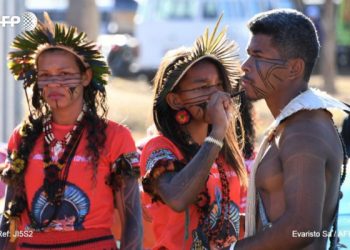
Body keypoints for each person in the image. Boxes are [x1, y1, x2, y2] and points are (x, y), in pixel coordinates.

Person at [0, 13, 142, 249]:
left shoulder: (115, 138)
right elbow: (9, 219)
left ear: (86, 77)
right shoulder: (23, 136)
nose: (54, 83)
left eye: (64, 74)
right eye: (45, 75)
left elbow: (132, 221)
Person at [232, 9, 350, 250]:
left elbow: (301, 227)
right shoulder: (295, 124)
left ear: (294, 68)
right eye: (247, 55)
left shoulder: (303, 131)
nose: (245, 66)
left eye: (257, 56)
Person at [139, 16, 248, 249]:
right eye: (203, 87)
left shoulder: (225, 154)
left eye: (220, 85)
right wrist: (218, 131)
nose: (216, 94)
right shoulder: (159, 148)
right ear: (175, 100)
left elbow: (228, 218)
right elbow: (178, 199)